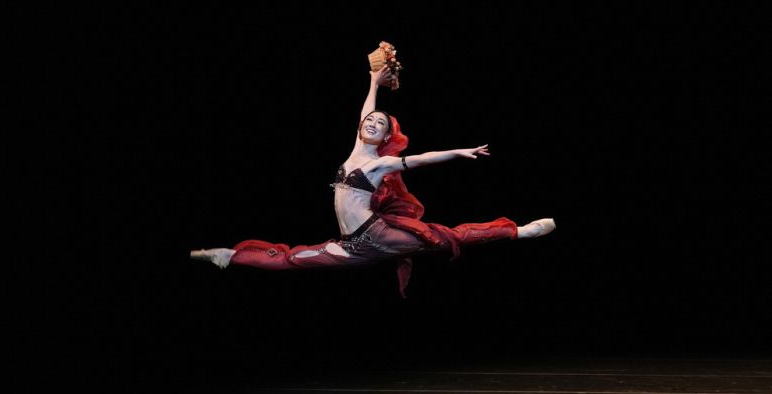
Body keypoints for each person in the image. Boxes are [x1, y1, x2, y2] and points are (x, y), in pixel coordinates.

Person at [190, 65, 555, 297]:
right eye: (370, 121)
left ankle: (518, 232)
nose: (372, 123)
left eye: (380, 125)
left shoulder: (379, 165)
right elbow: (367, 109)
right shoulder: (355, 150)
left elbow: (421, 159)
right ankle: (229, 256)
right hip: (350, 246)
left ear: (384, 138)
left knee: (446, 237)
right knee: (291, 259)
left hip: (378, 237)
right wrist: (373, 81)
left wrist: (460, 152)